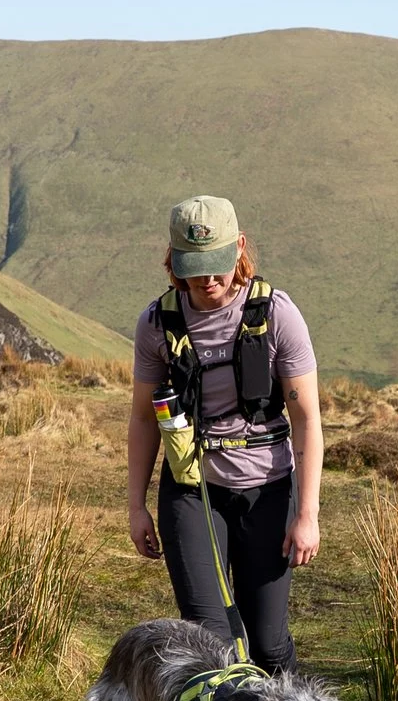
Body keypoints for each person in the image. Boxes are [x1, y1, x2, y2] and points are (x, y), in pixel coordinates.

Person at [127, 195, 322, 674]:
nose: (207, 278)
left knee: (269, 646)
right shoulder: (157, 324)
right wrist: (135, 505)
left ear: (238, 250)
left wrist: (308, 515)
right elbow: (140, 418)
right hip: (192, 491)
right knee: (208, 643)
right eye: (195, 266)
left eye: (216, 263)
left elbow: (307, 421)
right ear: (173, 261)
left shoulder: (277, 315)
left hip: (269, 490)